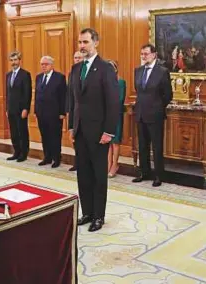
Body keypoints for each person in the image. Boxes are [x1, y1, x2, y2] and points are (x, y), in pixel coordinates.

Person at [68, 28, 119, 232]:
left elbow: (113, 102)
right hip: (80, 131)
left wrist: (109, 131)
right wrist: (72, 125)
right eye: (80, 42)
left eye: (86, 42)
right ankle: (87, 212)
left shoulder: (105, 68)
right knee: (83, 174)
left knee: (99, 175)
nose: (82, 46)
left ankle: (99, 215)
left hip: (99, 133)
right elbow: (74, 101)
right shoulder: (75, 69)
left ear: (95, 43)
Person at [132, 44, 173, 187]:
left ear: (154, 54)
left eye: (146, 54)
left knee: (156, 146)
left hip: (155, 115)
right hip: (140, 113)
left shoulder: (162, 71)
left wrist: (158, 108)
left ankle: (158, 175)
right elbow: (138, 90)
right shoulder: (138, 70)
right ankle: (144, 172)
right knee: (142, 145)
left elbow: (168, 95)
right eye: (142, 54)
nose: (143, 56)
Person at [34, 55, 67, 168]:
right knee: (45, 136)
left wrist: (62, 112)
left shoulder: (60, 77)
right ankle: (47, 157)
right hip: (41, 113)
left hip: (55, 114)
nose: (43, 66)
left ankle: (56, 159)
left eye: (46, 64)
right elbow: (37, 94)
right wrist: (36, 111)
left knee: (55, 137)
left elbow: (63, 96)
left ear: (51, 65)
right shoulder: (38, 77)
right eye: (42, 64)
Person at [5, 51, 32, 162]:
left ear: (20, 60)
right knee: (14, 132)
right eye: (11, 60)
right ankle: (16, 152)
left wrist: (26, 108)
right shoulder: (8, 75)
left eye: (15, 60)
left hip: (21, 109)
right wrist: (7, 108)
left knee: (22, 132)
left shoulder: (25, 74)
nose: (13, 62)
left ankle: (23, 154)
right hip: (11, 109)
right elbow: (7, 93)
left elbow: (27, 93)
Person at [107, 60, 126, 178]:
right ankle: (108, 164)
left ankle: (115, 165)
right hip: (106, 116)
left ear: (115, 69)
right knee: (108, 141)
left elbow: (120, 99)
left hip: (116, 115)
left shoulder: (121, 82)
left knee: (115, 142)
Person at [67, 51, 84, 171]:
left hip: (85, 112)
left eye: (79, 57)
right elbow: (69, 93)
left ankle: (82, 162)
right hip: (74, 110)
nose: (77, 59)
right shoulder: (72, 72)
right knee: (74, 137)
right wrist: (68, 109)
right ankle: (77, 162)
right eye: (75, 58)